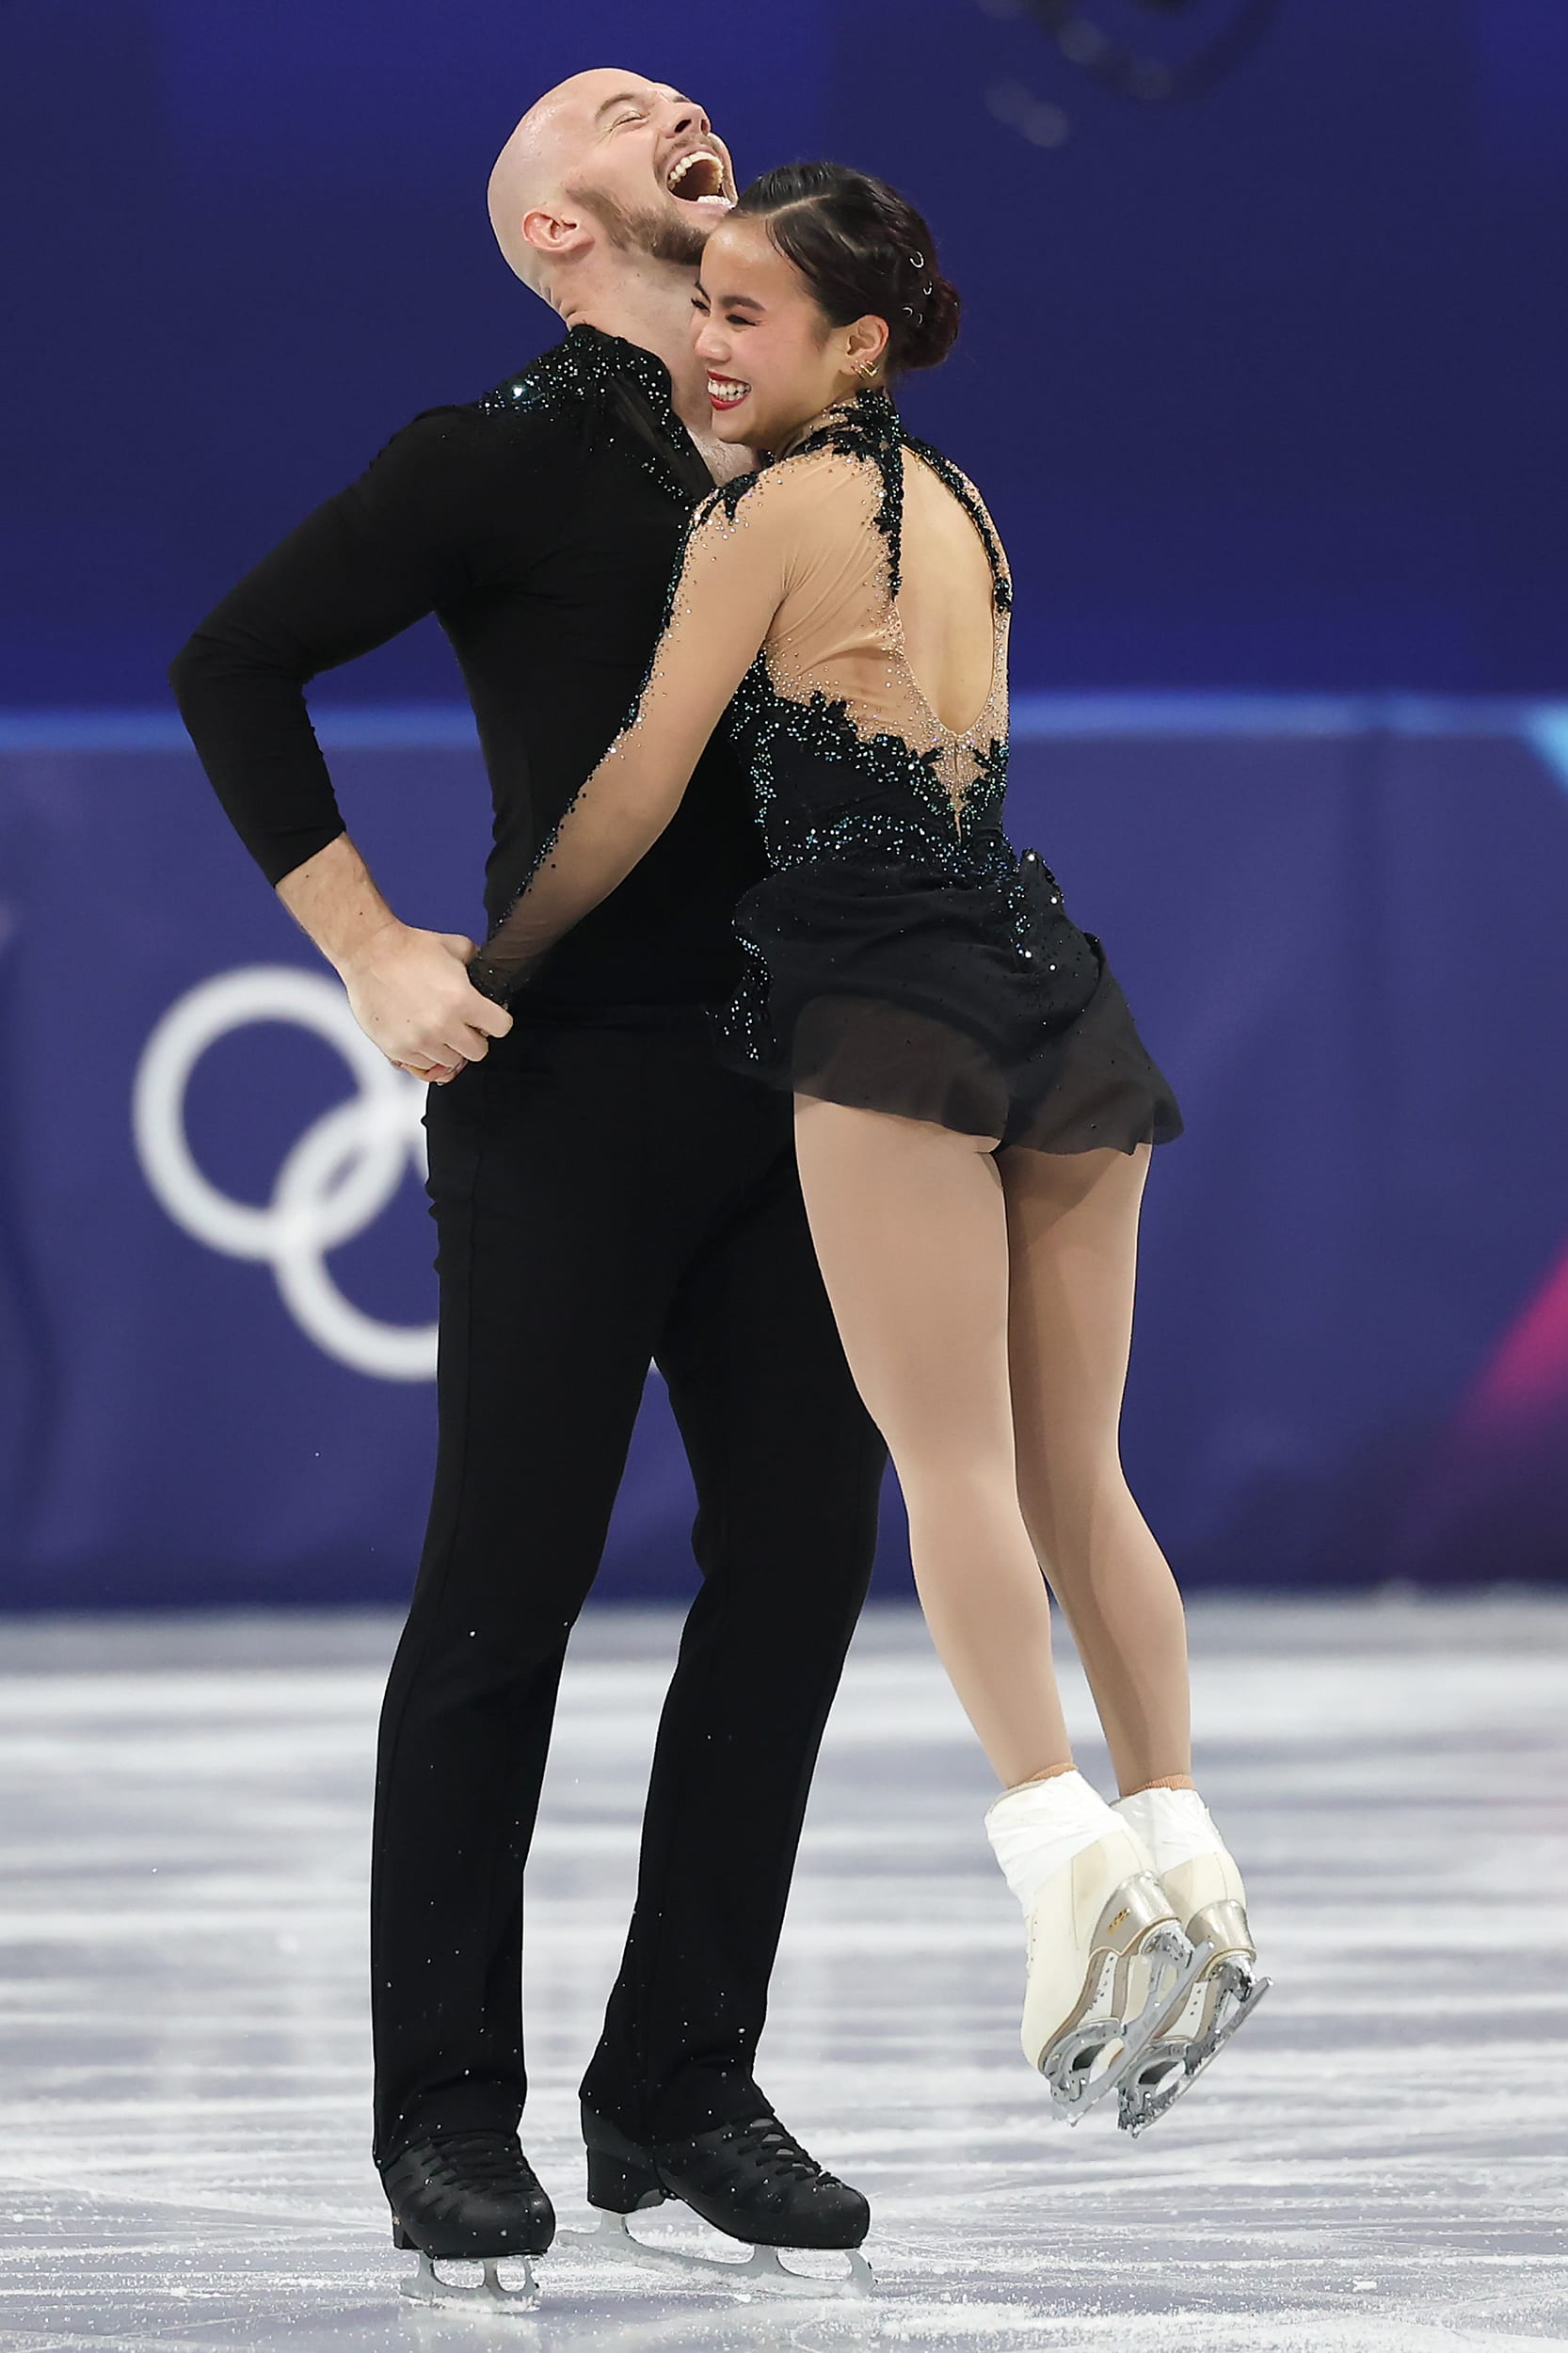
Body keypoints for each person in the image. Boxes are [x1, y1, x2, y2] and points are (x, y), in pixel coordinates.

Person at [170, 73, 888, 2297]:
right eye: (610, 108)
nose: (673, 102)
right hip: (565, 1095)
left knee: (791, 1580)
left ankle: (676, 2081)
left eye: (677, 88)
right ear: (553, 233)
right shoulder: (490, 450)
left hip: (803, 1104)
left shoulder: (812, 444)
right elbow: (235, 659)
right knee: (503, 1598)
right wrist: (374, 946)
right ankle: (445, 2114)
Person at [468, 161, 1271, 2140]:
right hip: (1045, 976)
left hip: (884, 996)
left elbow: (646, 777)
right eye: (706, 307)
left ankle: (1061, 1868)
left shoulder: (767, 513)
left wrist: (495, 962)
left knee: (957, 1465)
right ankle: (1181, 1844)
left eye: (746, 314)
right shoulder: (969, 510)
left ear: (856, 344)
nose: (710, 346)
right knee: (1077, 1470)